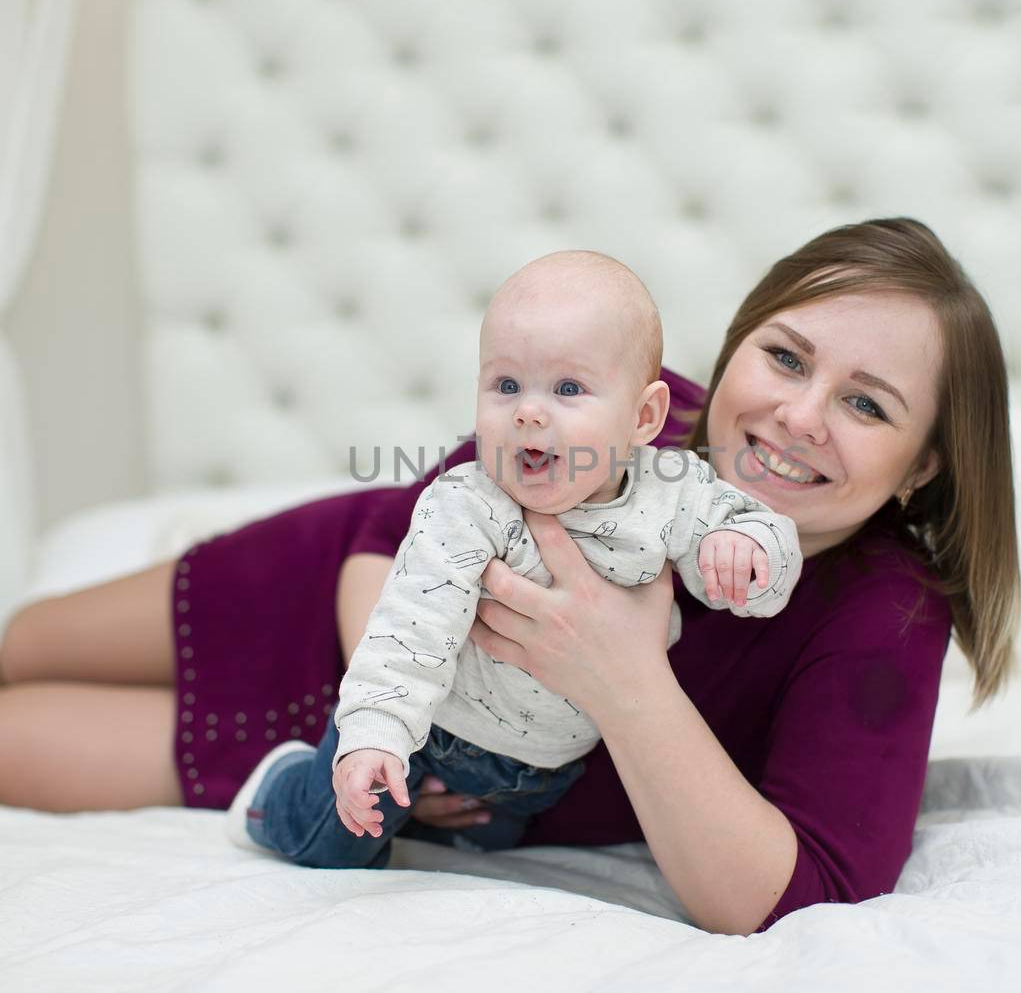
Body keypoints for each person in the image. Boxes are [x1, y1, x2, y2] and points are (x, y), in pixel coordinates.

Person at [0, 217, 1020, 937]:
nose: (798, 415)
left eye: (867, 403)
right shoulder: (623, 410)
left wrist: (623, 676)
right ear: (730, 351)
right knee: (33, 638)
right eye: (783, 356)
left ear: (923, 462)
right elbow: (389, 560)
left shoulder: (885, 611)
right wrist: (392, 721)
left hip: (402, 775)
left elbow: (794, 889)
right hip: (356, 622)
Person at [228, 251, 801, 865]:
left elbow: (763, 564)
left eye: (568, 388)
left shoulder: (674, 491)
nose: (528, 410)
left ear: (643, 417)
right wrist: (376, 736)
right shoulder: (467, 505)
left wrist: (745, 552)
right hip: (429, 734)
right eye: (505, 385)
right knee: (337, 844)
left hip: (542, 773)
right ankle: (275, 793)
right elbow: (406, 628)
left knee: (487, 843)